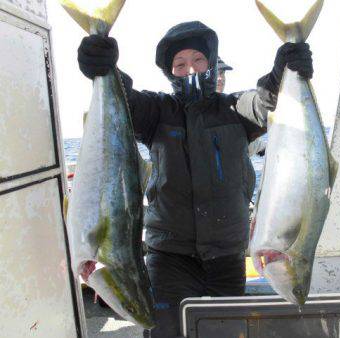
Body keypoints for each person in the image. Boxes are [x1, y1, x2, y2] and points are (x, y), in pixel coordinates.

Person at [77, 20, 313, 338]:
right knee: (166, 332)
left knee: (224, 332)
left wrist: (285, 70)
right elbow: (124, 101)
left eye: (199, 59)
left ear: (212, 63)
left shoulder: (234, 110)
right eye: (180, 63)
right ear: (170, 71)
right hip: (170, 257)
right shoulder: (158, 111)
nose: (190, 69)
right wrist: (105, 68)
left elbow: (266, 102)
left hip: (226, 256)